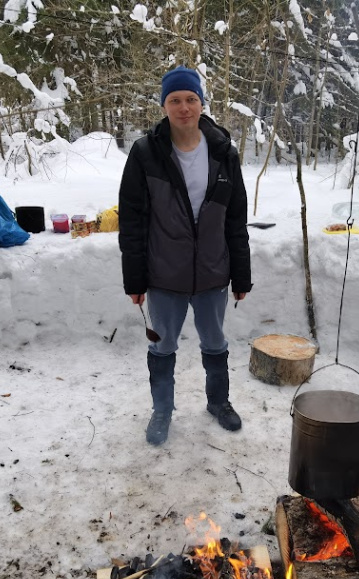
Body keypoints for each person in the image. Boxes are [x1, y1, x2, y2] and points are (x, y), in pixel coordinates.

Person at [118, 66, 252, 446]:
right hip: (165, 275)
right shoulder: (146, 154)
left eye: (191, 99)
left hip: (213, 271)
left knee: (215, 342)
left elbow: (236, 219)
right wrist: (135, 277)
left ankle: (219, 402)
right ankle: (162, 410)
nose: (184, 107)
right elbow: (132, 220)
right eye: (175, 100)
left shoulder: (224, 152)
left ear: (201, 103)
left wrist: (240, 275)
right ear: (164, 106)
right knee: (162, 345)